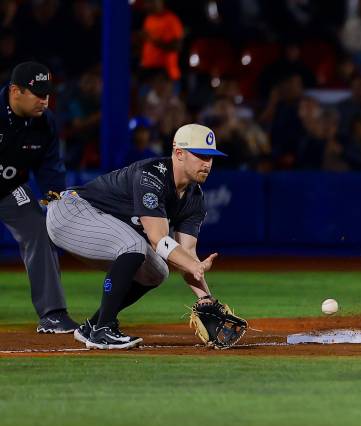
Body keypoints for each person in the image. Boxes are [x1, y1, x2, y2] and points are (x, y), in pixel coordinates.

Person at [45, 124, 226, 349]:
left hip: (98, 220)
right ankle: (103, 330)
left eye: (211, 157)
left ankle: (93, 326)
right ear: (179, 153)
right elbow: (158, 239)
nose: (207, 163)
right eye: (200, 155)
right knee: (135, 245)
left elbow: (187, 253)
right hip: (70, 211)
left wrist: (205, 298)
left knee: (156, 272)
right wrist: (193, 265)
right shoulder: (151, 175)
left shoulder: (194, 198)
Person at [0, 61, 78, 334]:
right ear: (15, 91)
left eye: (47, 94)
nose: (44, 100)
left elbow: (50, 169)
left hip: (8, 188)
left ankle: (53, 314)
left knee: (37, 229)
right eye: (38, 94)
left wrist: (55, 201)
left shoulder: (45, 123)